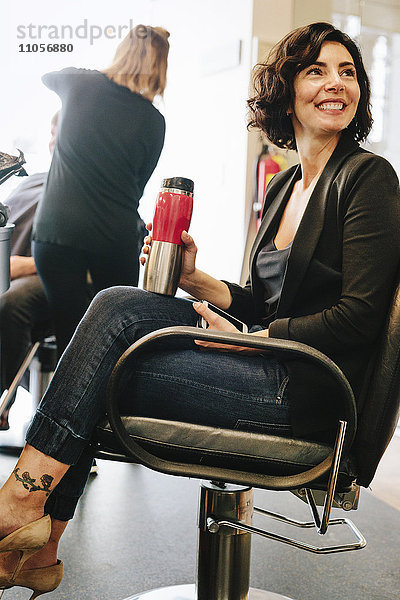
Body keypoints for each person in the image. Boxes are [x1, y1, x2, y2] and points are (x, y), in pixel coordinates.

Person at [0, 21, 399, 598]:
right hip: (271, 365)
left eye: (347, 72)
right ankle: (41, 540)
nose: (336, 83)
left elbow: (357, 318)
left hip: (307, 394)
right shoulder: (288, 186)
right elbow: (262, 299)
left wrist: (257, 335)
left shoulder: (366, 180)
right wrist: (194, 279)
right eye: (316, 70)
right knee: (119, 305)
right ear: (286, 89)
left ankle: (22, 508)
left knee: (111, 344)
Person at [32, 25, 170, 357]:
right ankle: (108, 407)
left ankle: (64, 407)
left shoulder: (78, 83)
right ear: (160, 66)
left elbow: (47, 76)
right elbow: (137, 185)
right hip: (113, 237)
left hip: (56, 232)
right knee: (114, 340)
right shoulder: (154, 121)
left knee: (70, 337)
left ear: (121, 51)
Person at [0, 113, 59, 430]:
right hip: (9, 268)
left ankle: (3, 401)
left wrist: (16, 267)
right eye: (51, 133)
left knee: (10, 300)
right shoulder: (32, 180)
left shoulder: (89, 192)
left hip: (49, 279)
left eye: (60, 133)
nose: (54, 141)